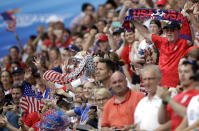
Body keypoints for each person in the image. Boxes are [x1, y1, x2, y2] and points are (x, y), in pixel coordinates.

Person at [132, 17, 192, 87]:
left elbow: (191, 39)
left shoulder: (183, 42)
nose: (169, 33)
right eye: (167, 31)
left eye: (172, 30)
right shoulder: (162, 41)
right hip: (161, 85)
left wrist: (189, 20)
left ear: (178, 32)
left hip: (176, 87)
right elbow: (146, 34)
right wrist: (133, 21)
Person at [157, 60, 199, 131]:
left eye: (186, 72)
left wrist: (168, 99)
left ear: (195, 74)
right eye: (180, 71)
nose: (182, 74)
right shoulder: (176, 97)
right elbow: (162, 120)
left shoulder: (196, 95)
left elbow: (188, 114)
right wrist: (164, 102)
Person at [134, 64, 163, 130]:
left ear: (159, 80)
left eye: (150, 79)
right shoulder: (142, 102)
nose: (147, 82)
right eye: (145, 79)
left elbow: (172, 122)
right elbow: (137, 125)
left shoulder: (166, 99)